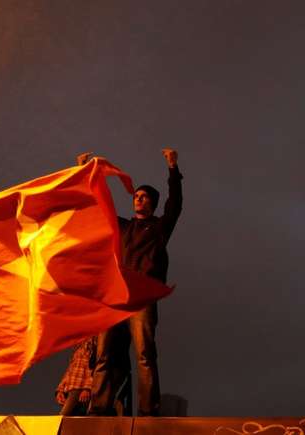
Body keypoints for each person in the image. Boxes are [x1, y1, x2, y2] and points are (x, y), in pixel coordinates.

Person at [81, 148, 183, 416]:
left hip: (142, 296)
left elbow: (176, 205)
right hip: (116, 296)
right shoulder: (122, 227)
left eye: (144, 196)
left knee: (144, 354)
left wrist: (173, 168)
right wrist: (83, 173)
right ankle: (99, 408)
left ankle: (149, 410)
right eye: (136, 196)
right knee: (104, 354)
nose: (139, 199)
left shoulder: (159, 228)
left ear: (152, 203)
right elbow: (96, 208)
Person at [55, 336, 132, 416]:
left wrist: (88, 388)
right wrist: (60, 389)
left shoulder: (94, 341)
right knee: (74, 418)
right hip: (71, 387)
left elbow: (98, 366)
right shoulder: (78, 346)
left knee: (64, 416)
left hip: (81, 388)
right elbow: (71, 369)